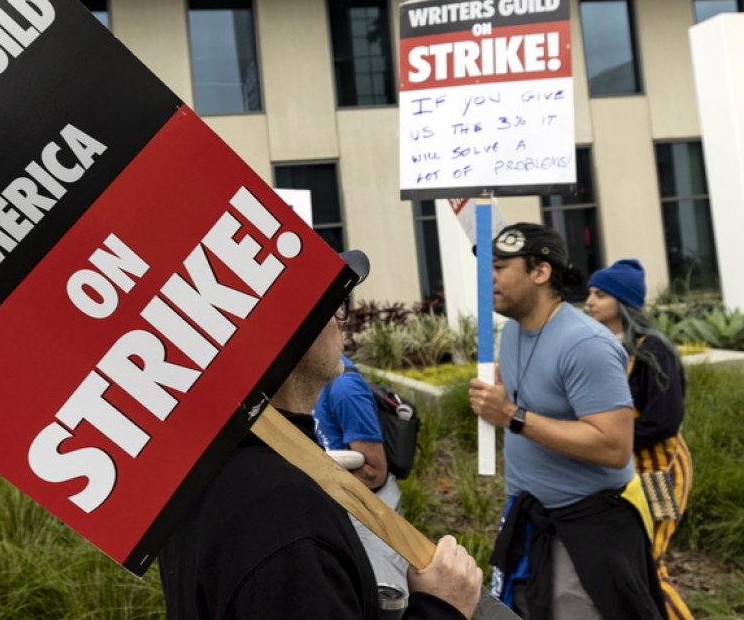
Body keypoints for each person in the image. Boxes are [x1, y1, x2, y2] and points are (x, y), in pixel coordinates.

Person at [160, 250, 482, 620]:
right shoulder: (286, 512)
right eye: (333, 304)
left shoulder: (205, 470)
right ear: (288, 329)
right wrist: (441, 608)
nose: (340, 320)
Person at [467, 223, 664, 620]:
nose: (487, 277)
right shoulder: (512, 333)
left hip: (589, 529)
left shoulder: (585, 344)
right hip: (531, 520)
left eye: (501, 266)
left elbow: (613, 447)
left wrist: (511, 415)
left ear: (540, 273)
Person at [586, 259, 694, 620]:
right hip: (625, 473)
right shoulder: (604, 348)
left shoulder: (655, 350)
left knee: (647, 565)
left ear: (623, 302)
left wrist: (604, 441)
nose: (589, 301)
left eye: (600, 294)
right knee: (630, 565)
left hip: (661, 474)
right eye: (589, 293)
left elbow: (664, 422)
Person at [315, 352, 411, 593]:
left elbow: (374, 471)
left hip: (371, 512)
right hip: (342, 506)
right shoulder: (309, 379)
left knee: (388, 599)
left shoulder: (344, 389)